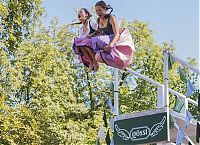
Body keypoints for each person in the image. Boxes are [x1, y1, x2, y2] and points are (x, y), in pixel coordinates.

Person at [91, 0, 135, 70]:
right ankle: (117, 64)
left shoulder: (111, 18)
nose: (98, 12)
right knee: (97, 57)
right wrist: (89, 36)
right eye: (96, 11)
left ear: (105, 9)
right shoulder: (98, 20)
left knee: (96, 40)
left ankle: (121, 61)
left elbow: (116, 34)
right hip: (107, 39)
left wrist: (111, 45)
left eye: (100, 10)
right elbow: (98, 32)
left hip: (116, 40)